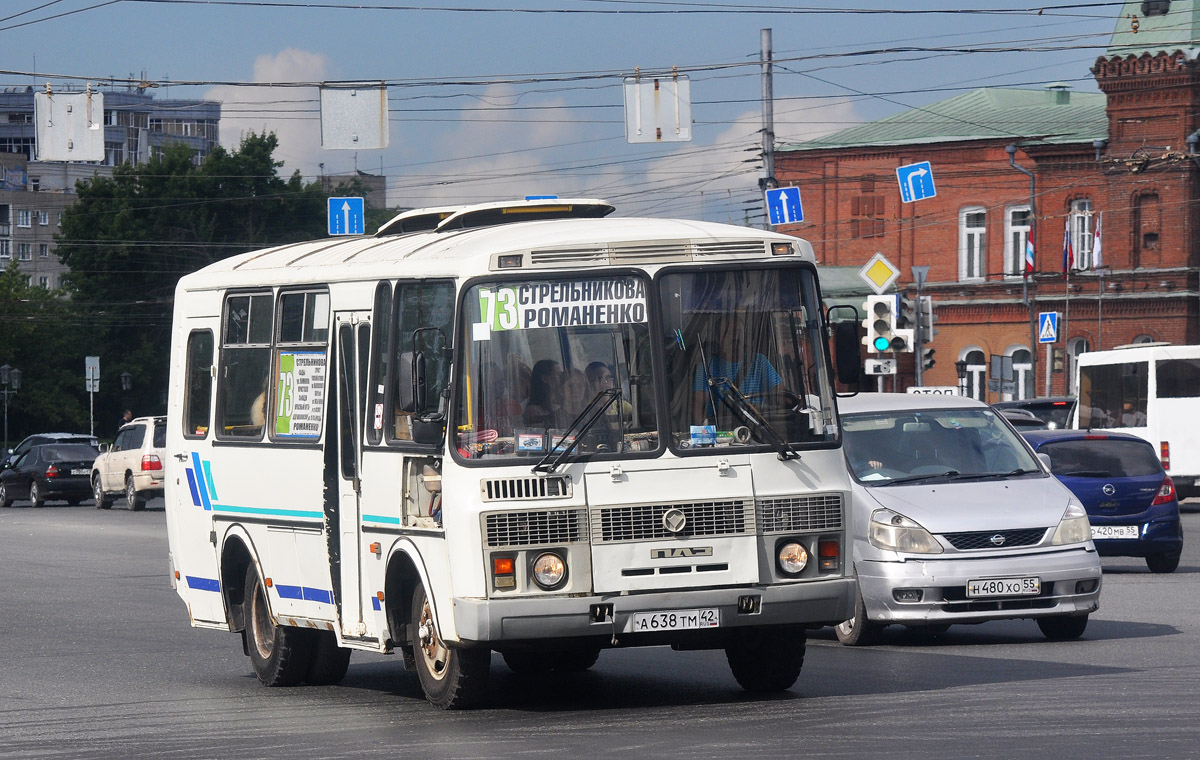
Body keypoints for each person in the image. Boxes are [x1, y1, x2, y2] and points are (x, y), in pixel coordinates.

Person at [692, 314, 782, 424]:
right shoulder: (707, 367)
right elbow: (698, 408)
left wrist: (793, 401)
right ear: (718, 338)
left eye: (738, 332)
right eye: (729, 333)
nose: (735, 337)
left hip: (759, 428)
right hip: (723, 431)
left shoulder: (759, 361)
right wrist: (707, 433)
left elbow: (780, 395)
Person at [524, 359, 564, 427]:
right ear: (545, 378)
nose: (562, 377)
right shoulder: (533, 410)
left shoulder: (561, 404)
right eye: (558, 374)